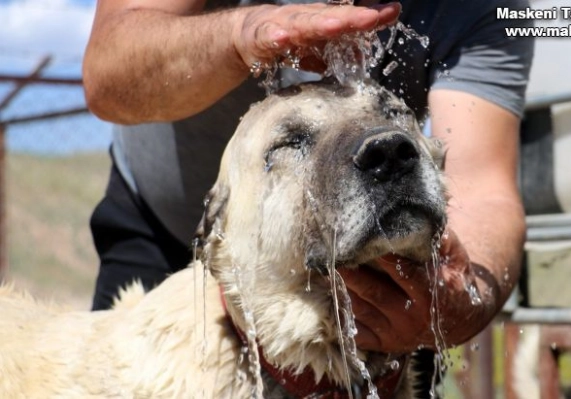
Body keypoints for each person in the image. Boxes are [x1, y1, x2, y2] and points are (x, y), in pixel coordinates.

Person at [83, 0, 533, 393]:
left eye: (390, 114)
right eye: (292, 141)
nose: (385, 145)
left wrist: (461, 297)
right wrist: (242, 35)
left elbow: (484, 189)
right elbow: (108, 69)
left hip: (393, 287)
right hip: (163, 229)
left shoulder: (484, 6)